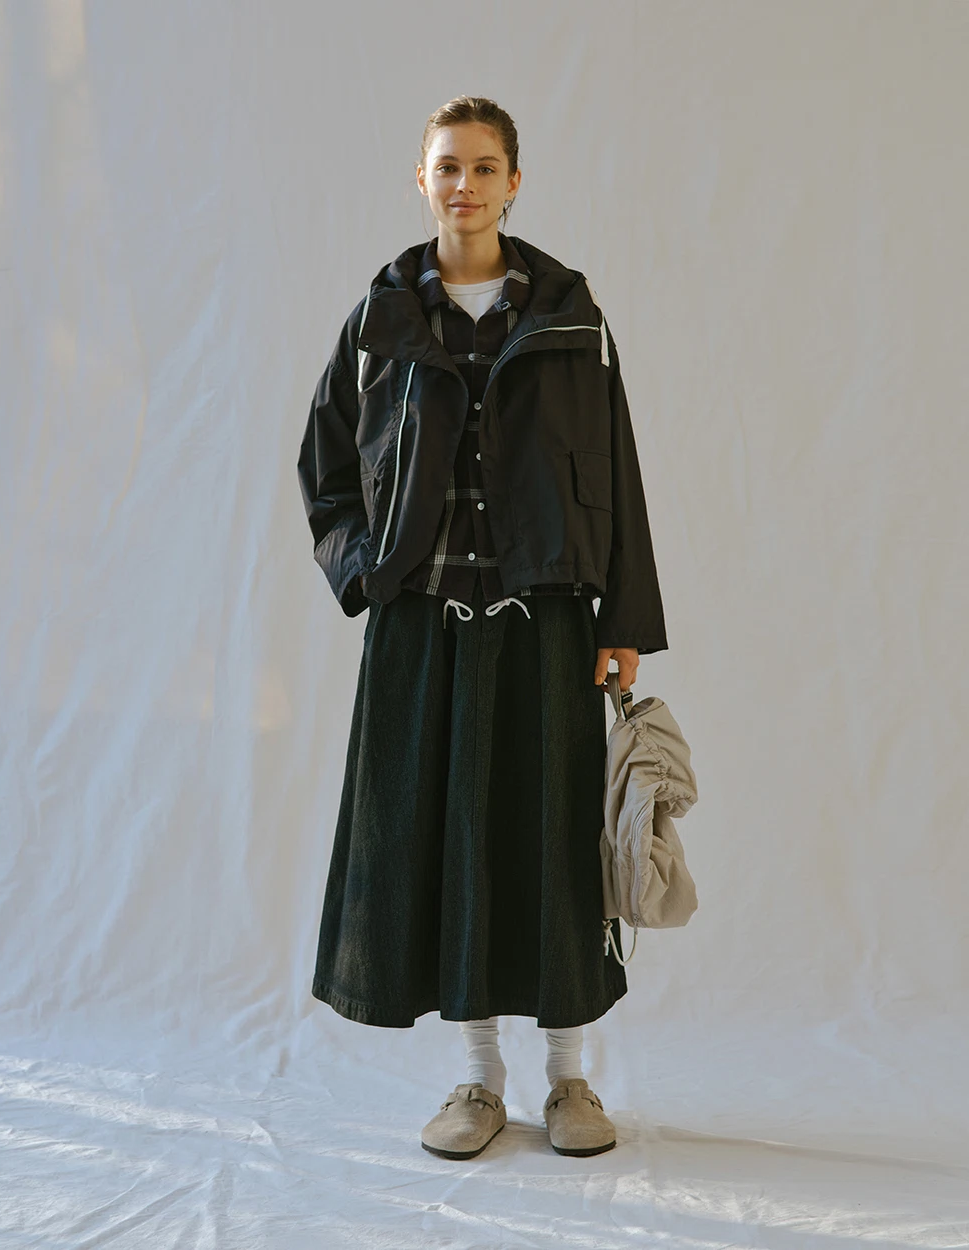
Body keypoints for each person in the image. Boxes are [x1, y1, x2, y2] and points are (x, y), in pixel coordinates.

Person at [297, 95, 668, 1160]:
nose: (465, 184)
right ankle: (477, 1080)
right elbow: (324, 468)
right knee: (448, 845)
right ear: (422, 181)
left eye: (484, 166)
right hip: (421, 630)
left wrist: (622, 619)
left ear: (514, 182)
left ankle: (569, 1080)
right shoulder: (379, 322)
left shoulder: (571, 316)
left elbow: (618, 471)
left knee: (554, 846)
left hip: (546, 624)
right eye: (447, 166)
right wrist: (366, 573)